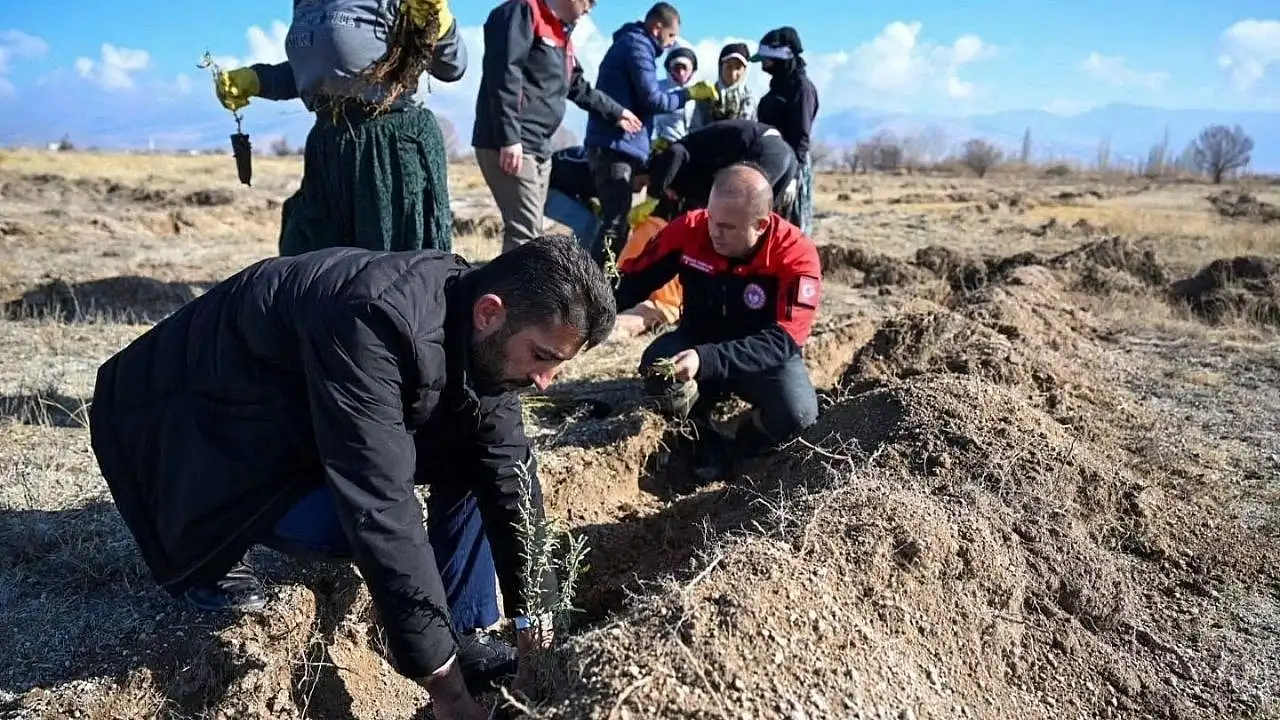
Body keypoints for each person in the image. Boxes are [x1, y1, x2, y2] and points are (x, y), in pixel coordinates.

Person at [88, 236, 616, 719]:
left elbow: (508, 472)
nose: (547, 382)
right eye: (543, 357)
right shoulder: (373, 321)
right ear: (489, 313)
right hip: (200, 427)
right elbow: (381, 506)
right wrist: (449, 694)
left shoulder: (481, 333)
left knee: (478, 460)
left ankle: (465, 625)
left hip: (307, 411)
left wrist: (536, 624)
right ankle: (214, 557)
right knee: (351, 530)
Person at [613, 163, 821, 482]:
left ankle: (740, 439)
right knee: (657, 367)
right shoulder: (691, 229)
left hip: (759, 356)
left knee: (798, 415)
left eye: (727, 227)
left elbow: (783, 341)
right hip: (698, 340)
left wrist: (708, 360)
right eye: (712, 218)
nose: (713, 231)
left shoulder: (795, 254)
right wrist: (582, 322)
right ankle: (701, 432)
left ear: (761, 224)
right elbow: (632, 282)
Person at [214, 0, 468, 257]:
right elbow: (322, 68)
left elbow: (452, 66)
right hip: (329, 146)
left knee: (389, 272)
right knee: (315, 262)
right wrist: (259, 79)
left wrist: (440, 22)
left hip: (389, 148)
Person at [472, 0, 642, 254]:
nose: (590, 9)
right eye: (589, 2)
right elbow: (504, 75)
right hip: (513, 143)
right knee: (525, 234)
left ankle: (510, 290)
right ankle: (514, 293)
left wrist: (616, 112)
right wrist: (509, 138)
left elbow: (577, 86)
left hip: (540, 145)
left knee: (529, 233)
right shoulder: (523, 12)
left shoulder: (562, 34)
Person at [582, 2, 719, 269]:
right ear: (656, 28)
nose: (670, 44)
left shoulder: (632, 45)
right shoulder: (637, 47)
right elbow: (652, 99)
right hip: (615, 146)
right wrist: (687, 94)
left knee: (618, 219)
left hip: (620, 146)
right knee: (615, 222)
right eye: (670, 36)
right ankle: (593, 284)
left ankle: (599, 281)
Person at [541, 146, 679, 340]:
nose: (641, 188)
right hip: (544, 185)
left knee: (594, 224)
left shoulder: (618, 171)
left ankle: (575, 270)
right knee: (588, 224)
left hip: (565, 187)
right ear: (638, 173)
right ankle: (578, 274)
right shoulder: (612, 171)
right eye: (643, 182)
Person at [630, 118, 799, 225]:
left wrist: (656, 192)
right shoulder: (693, 169)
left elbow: (676, 153)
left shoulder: (667, 159)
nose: (640, 189)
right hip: (783, 153)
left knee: (739, 217)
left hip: (765, 148)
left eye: (639, 184)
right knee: (760, 221)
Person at [751, 26, 819, 235]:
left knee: (789, 227)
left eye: (767, 59)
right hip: (772, 161)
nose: (763, 64)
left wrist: (793, 177)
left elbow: (801, 135)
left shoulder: (801, 88)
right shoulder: (778, 86)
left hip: (791, 164)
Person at [689, 42, 755, 130]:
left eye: (738, 68)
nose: (733, 73)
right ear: (720, 67)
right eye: (729, 67)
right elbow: (695, 128)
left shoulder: (749, 99)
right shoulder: (706, 95)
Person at [651, 46, 698, 149]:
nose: (681, 72)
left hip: (693, 147)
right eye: (677, 68)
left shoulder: (700, 91)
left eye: (684, 68)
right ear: (669, 68)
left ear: (692, 69)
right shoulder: (657, 88)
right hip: (662, 146)